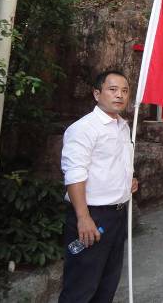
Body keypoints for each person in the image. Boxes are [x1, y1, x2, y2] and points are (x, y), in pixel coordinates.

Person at [59, 70, 138, 303]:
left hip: (117, 215)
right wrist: (83, 217)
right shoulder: (84, 128)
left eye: (124, 91)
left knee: (107, 284)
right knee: (81, 286)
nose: (119, 95)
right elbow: (75, 174)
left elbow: (111, 164)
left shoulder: (122, 126)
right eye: (112, 89)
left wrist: (127, 181)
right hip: (93, 216)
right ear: (97, 93)